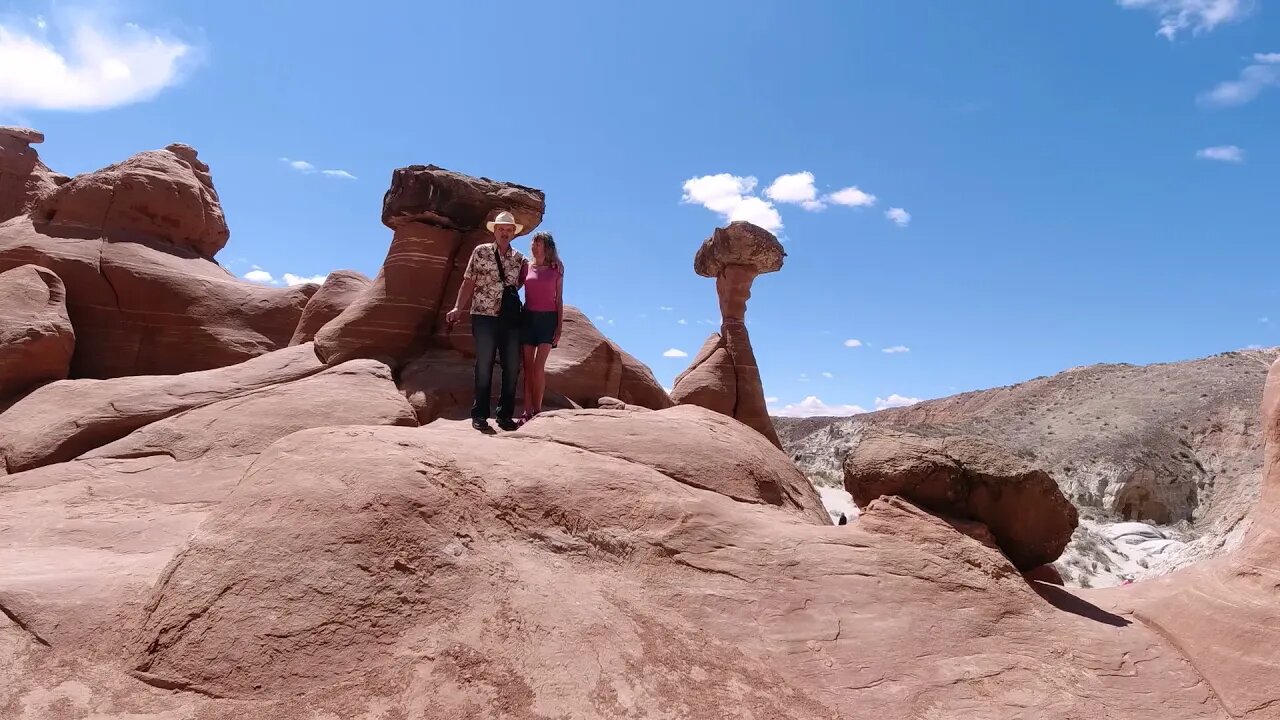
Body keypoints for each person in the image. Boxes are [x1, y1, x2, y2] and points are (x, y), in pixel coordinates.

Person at [445, 211, 528, 431]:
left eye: (509, 230)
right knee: (484, 364)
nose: (505, 232)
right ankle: (480, 414)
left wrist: (556, 265)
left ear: (513, 233)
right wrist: (457, 307)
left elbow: (530, 277)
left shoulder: (520, 259)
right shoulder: (480, 252)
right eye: (501, 229)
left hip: (509, 319)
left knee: (512, 366)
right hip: (483, 315)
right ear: (494, 230)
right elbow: (468, 282)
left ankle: (504, 415)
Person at [518, 232, 564, 423]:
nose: (535, 247)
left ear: (547, 247)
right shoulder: (525, 267)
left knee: (538, 368)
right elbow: (514, 287)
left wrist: (559, 327)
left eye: (539, 244)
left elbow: (559, 298)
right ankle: (526, 412)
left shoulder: (557, 269)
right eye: (533, 243)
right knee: (528, 368)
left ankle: (537, 410)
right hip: (528, 318)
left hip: (548, 320)